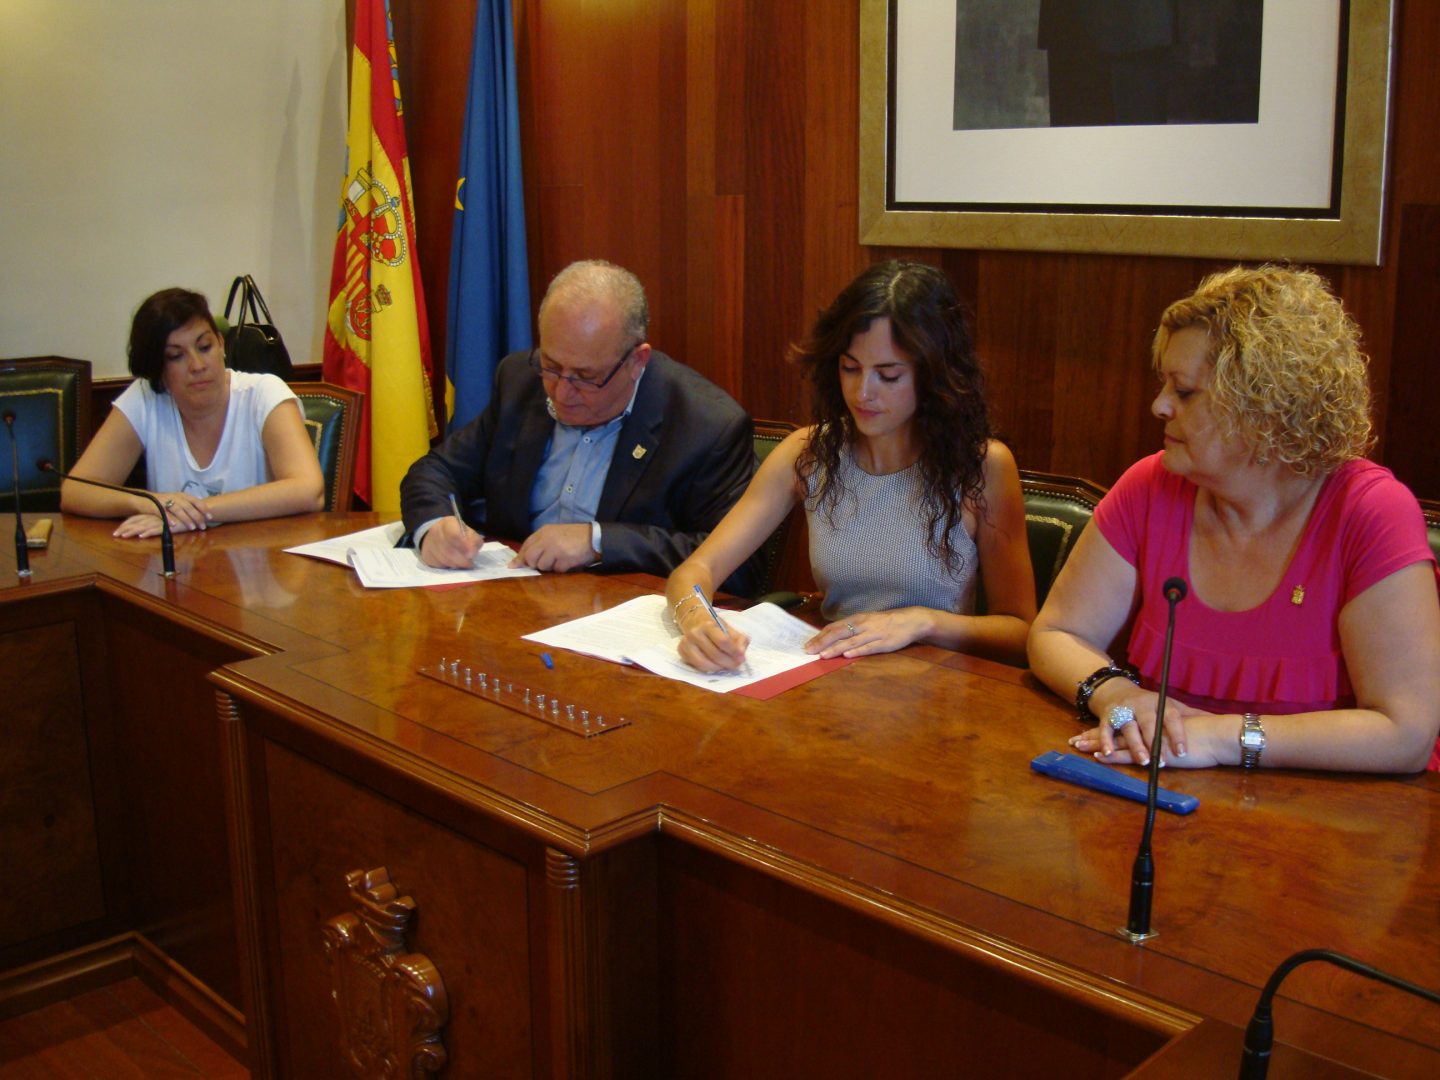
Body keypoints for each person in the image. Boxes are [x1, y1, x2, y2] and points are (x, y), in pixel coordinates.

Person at [1028, 265, 1440, 773]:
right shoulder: (1150, 486)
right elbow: (1057, 632)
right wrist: (1117, 694)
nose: (1159, 406)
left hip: (1332, 809)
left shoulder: (1371, 512)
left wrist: (1220, 739)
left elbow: (1405, 733)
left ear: (1263, 405)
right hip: (1165, 790)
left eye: (1184, 392)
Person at [665, 260, 1036, 671]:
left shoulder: (981, 466)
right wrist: (698, 621)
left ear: (933, 375)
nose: (863, 393)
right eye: (850, 368)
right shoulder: (807, 453)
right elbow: (695, 570)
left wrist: (923, 622)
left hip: (936, 683)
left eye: (888, 375)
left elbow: (1020, 634)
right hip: (830, 674)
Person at [400, 259, 761, 593]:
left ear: (637, 361)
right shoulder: (519, 380)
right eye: (551, 366)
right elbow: (435, 470)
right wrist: (434, 525)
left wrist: (599, 542)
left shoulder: (705, 426)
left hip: (620, 614)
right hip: (510, 598)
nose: (561, 391)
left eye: (586, 377)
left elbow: (737, 566)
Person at [61, 288, 324, 537]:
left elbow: (308, 490)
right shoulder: (146, 397)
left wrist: (191, 514)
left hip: (264, 559)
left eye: (205, 347)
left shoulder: (264, 393)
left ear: (221, 344)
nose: (197, 365)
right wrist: (148, 503)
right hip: (180, 562)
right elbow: (75, 491)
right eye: (176, 356)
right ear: (157, 369)